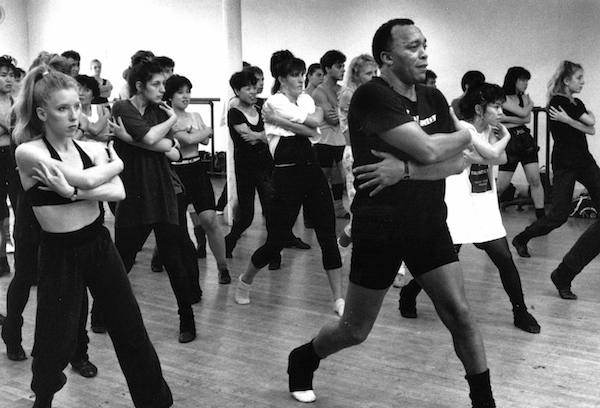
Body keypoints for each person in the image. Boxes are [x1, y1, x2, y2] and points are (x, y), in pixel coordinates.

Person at [287, 19, 496, 407]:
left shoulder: (432, 97)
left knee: (461, 314)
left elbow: (457, 164)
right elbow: (436, 151)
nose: (424, 53)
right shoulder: (372, 96)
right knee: (354, 330)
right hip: (380, 229)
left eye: (425, 45)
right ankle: (303, 358)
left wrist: (405, 170)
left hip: (428, 224)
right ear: (387, 57)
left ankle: (484, 401)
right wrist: (467, 132)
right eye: (413, 47)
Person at [13, 65, 172, 408]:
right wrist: (112, 167)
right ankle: (43, 399)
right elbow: (91, 183)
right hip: (59, 253)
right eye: (62, 109)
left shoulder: (91, 149)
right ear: (41, 113)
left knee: (130, 327)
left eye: (77, 107)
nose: (74, 116)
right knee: (54, 338)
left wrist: (72, 191)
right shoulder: (30, 153)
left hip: (98, 244)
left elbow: (118, 193)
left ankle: (155, 402)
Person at [398, 82, 540, 334]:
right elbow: (490, 153)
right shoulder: (463, 128)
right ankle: (409, 293)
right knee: (439, 261)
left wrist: (484, 154)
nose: (500, 112)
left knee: (505, 260)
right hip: (459, 204)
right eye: (495, 107)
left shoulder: (491, 130)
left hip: (483, 204)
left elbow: (503, 158)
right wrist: (492, 148)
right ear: (479, 108)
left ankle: (520, 311)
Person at [2, 54, 99, 374]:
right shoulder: (26, 126)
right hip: (35, 214)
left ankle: (79, 351)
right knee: (27, 275)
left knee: (77, 280)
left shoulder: (68, 119)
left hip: (66, 212)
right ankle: (12, 334)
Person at [235, 50, 345, 317]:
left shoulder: (306, 99)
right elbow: (310, 124)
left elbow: (314, 125)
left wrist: (284, 123)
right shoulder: (273, 102)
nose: (300, 79)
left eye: (301, 75)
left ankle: (338, 299)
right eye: (294, 75)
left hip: (312, 171)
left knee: (327, 235)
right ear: (282, 79)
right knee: (276, 241)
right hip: (286, 175)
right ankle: (245, 281)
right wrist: (300, 122)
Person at [109, 59, 199, 343]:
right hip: (133, 192)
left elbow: (174, 154)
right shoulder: (122, 107)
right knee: (123, 258)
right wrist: (167, 130)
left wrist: (136, 139)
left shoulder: (161, 111)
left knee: (173, 259)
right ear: (139, 85)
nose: (163, 89)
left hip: (163, 193)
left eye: (163, 84)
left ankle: (187, 320)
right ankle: (101, 312)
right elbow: (153, 139)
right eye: (156, 84)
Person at [512, 61, 598, 260]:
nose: (583, 82)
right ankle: (522, 238)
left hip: (585, 161)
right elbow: (590, 121)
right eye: (579, 78)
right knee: (558, 215)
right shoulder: (559, 102)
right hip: (565, 164)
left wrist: (568, 121)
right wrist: (581, 119)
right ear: (566, 80)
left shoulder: (576, 103)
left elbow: (591, 129)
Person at [162, 74, 231, 284]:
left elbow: (204, 139)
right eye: (180, 92)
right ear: (170, 96)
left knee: (209, 219)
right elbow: (188, 140)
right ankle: (174, 265)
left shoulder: (195, 116)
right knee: (177, 226)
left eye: (188, 92)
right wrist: (198, 132)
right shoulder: (166, 117)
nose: (185, 96)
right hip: (175, 171)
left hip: (196, 170)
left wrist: (199, 132)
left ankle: (222, 267)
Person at [496, 67, 545, 219]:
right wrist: (528, 107)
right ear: (513, 80)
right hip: (509, 141)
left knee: (535, 179)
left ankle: (541, 215)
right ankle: (489, 212)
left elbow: (527, 119)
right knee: (501, 185)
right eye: (522, 80)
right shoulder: (503, 97)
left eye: (527, 80)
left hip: (524, 139)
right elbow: (523, 115)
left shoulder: (523, 98)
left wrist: (508, 119)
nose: (526, 84)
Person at [312, 50, 349, 219]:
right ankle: (315, 212)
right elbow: (333, 118)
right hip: (324, 141)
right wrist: (342, 110)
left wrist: (339, 110)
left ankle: (338, 208)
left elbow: (341, 115)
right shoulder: (318, 92)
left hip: (341, 140)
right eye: (338, 66)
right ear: (328, 69)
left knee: (340, 178)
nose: (343, 70)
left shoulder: (344, 90)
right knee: (321, 179)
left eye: (343, 66)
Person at [0, 55, 15, 276]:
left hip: (13, 154)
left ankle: (25, 263)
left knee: (21, 208)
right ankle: (1, 259)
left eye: (11, 75)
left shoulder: (16, 101)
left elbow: (16, 128)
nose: (8, 80)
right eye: (3, 76)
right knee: (1, 214)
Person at [74, 74, 111, 141]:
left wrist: (85, 133)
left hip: (102, 149)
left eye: (87, 90)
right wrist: (107, 116)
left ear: (93, 95)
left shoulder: (100, 109)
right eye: (78, 89)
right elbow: (95, 130)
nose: (81, 93)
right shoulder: (74, 111)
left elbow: (105, 136)